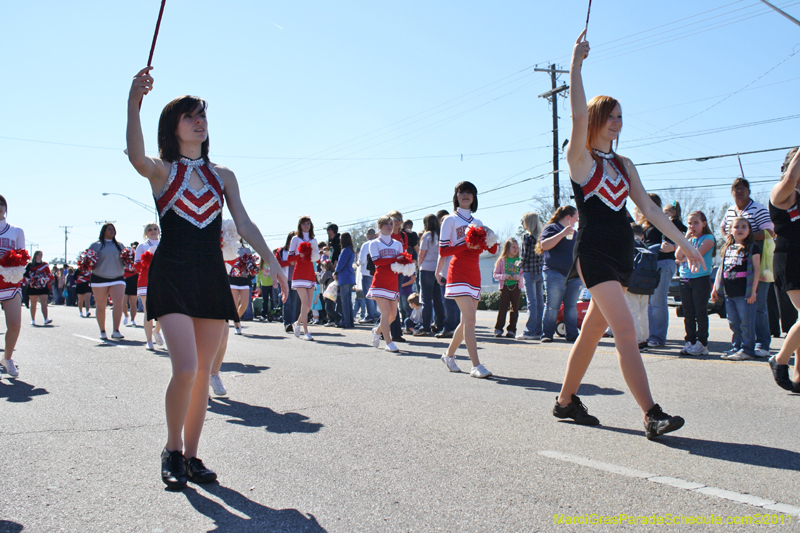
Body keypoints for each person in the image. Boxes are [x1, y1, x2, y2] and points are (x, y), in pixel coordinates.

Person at [126, 67, 288, 489]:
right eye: (189, 116)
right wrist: (133, 102)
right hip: (173, 273)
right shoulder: (161, 170)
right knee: (185, 368)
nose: (199, 121)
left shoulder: (224, 175)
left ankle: (193, 457)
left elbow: (245, 224)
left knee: (202, 374)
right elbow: (135, 155)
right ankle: (172, 448)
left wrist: (273, 260)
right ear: (173, 128)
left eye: (202, 115)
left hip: (210, 275)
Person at [553, 31, 704, 439]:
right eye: (613, 116)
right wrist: (576, 64)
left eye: (622, 116)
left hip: (623, 253)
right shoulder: (579, 157)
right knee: (625, 332)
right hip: (594, 254)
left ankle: (565, 401)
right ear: (600, 119)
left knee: (591, 334)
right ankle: (651, 414)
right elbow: (577, 117)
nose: (619, 123)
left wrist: (686, 243)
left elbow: (650, 210)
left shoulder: (625, 164)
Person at [437, 182, 498, 378]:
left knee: (465, 322)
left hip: (474, 273)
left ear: (474, 197)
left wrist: (490, 236)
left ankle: (448, 355)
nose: (465, 195)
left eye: (469, 192)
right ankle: (476, 365)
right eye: (461, 192)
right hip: (458, 272)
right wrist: (466, 243)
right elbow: (444, 250)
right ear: (456, 196)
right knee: (470, 319)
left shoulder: (477, 221)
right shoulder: (450, 220)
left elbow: (493, 250)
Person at [720, 177, 775, 357]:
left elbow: (769, 231)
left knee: (758, 305)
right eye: (736, 188)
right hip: (735, 265)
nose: (739, 191)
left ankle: (762, 344)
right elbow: (723, 228)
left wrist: (746, 236)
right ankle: (743, 345)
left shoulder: (758, 208)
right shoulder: (729, 211)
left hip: (758, 261)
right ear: (731, 192)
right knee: (738, 314)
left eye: (743, 188)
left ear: (749, 191)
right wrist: (732, 238)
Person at [768, 147, 800, 392]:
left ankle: (799, 375)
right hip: (789, 259)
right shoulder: (781, 194)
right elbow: (790, 179)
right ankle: (779, 360)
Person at [712, 217, 760, 361]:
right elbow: (721, 270)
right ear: (730, 230)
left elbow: (756, 270)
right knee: (734, 322)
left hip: (744, 293)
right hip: (729, 292)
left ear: (749, 230)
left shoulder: (752, 247)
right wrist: (715, 288)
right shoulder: (727, 248)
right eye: (736, 227)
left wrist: (753, 291)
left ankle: (747, 349)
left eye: (744, 227)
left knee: (746, 323)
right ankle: (736, 347)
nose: (740, 229)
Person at [641, 195, 686, 347]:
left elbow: (683, 238)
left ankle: (657, 338)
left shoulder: (664, 220)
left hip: (663, 262)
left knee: (657, 301)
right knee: (647, 302)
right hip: (647, 265)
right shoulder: (645, 224)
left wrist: (673, 247)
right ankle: (647, 335)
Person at [538, 206, 582, 343]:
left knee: (571, 306)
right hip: (554, 272)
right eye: (575, 217)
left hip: (573, 275)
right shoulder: (552, 228)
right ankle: (547, 334)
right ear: (568, 217)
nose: (577, 220)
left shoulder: (574, 233)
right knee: (552, 306)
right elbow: (544, 245)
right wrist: (562, 234)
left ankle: (572, 334)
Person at [675, 211, 715, 356]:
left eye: (696, 223)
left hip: (700, 279)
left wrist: (684, 258)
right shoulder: (689, 240)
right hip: (685, 279)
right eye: (690, 223)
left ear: (703, 224)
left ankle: (702, 343)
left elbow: (695, 254)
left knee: (700, 312)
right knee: (688, 313)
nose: (692, 226)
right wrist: (685, 238)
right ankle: (690, 341)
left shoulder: (708, 238)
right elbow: (678, 256)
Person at [367, 215, 404, 352]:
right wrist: (395, 258)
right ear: (380, 227)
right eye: (386, 224)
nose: (389, 226)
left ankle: (377, 331)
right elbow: (377, 262)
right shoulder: (374, 243)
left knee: (393, 315)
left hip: (393, 282)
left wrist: (407, 265)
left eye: (391, 224)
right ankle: (389, 342)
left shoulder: (398, 244)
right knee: (385, 312)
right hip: (380, 282)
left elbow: (401, 262)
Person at [0, 194, 25, 378]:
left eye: (2, 204)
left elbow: (22, 256)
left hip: (9, 281)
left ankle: (7, 358)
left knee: (15, 323)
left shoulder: (16, 231)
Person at [89, 223, 126, 340]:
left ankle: (116, 330)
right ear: (103, 231)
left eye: (113, 229)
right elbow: (89, 261)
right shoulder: (96, 245)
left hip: (117, 278)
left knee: (118, 303)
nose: (112, 231)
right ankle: (102, 330)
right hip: (99, 278)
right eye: (109, 229)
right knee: (100, 305)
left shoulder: (120, 245)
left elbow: (126, 260)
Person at [289, 216, 319, 341]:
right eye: (304, 223)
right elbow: (289, 259)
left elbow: (316, 257)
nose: (306, 225)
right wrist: (299, 255)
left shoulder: (313, 239)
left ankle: (297, 323)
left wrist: (315, 254)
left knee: (308, 306)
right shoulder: (295, 239)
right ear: (300, 225)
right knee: (304, 302)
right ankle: (306, 332)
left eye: (308, 223)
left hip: (310, 273)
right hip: (299, 273)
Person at [135, 223, 163, 351]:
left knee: (162, 312)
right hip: (145, 282)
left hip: (163, 281)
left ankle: (156, 331)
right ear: (146, 233)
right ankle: (149, 341)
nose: (153, 231)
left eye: (155, 229)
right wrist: (148, 260)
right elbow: (136, 267)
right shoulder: (142, 246)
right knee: (148, 312)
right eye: (150, 230)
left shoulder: (164, 244)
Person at [416, 214, 445, 336]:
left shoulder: (427, 235)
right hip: (438, 269)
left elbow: (422, 254)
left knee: (426, 300)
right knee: (438, 299)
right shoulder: (441, 235)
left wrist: (419, 265)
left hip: (426, 269)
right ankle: (440, 325)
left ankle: (426, 326)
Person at [434, 209, 460, 338]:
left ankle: (450, 327)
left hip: (448, 272)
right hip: (458, 270)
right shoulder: (457, 237)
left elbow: (442, 256)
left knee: (448, 301)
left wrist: (437, 271)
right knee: (457, 302)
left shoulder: (446, 237)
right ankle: (458, 326)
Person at [518, 212, 544, 340]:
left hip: (529, 271)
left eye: (523, 221)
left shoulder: (527, 237)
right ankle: (539, 330)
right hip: (540, 272)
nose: (522, 224)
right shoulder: (541, 236)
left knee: (531, 303)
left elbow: (525, 256)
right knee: (540, 303)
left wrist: (519, 264)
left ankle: (529, 331)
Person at [492, 238, 524, 338]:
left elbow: (524, 275)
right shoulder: (501, 261)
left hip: (516, 287)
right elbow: (495, 274)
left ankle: (512, 330)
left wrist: (518, 277)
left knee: (514, 309)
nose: (516, 250)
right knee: (503, 308)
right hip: (505, 287)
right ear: (507, 248)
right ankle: (498, 328)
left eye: (517, 248)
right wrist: (504, 276)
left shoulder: (519, 261)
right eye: (513, 247)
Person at [229, 240, 253, 336]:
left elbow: (251, 263)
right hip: (232, 278)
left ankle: (236, 319)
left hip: (244, 278)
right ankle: (236, 325)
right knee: (234, 304)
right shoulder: (229, 248)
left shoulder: (247, 250)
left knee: (245, 303)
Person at [24, 251, 53, 326]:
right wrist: (32, 279)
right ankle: (33, 320)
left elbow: (49, 273)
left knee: (44, 303)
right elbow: (26, 274)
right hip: (33, 286)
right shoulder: (30, 265)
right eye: (39, 254)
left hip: (43, 286)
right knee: (33, 304)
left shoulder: (45, 264)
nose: (40, 256)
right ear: (35, 256)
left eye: (41, 254)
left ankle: (46, 319)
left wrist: (46, 279)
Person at [357, 228, 379, 324]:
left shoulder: (365, 244)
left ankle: (370, 315)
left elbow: (361, 260)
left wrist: (358, 263)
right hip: (376, 272)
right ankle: (375, 313)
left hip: (366, 272)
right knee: (375, 295)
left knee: (368, 295)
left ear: (367, 235)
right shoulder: (377, 243)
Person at [334, 232, 356, 328]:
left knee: (345, 302)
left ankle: (346, 322)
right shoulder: (351, 250)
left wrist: (335, 272)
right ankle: (350, 321)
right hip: (350, 277)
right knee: (348, 302)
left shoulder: (345, 250)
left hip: (344, 278)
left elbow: (340, 264)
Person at [123, 242, 139, 327]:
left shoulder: (138, 257)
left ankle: (133, 319)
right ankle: (126, 315)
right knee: (123, 301)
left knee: (133, 302)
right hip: (125, 279)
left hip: (134, 279)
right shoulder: (125, 258)